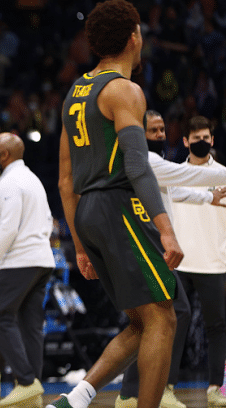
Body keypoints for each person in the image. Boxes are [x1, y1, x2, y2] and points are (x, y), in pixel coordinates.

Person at [52, 1, 184, 408]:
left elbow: (65, 181)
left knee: (142, 321)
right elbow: (138, 166)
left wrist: (79, 244)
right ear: (133, 37)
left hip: (88, 214)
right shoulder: (124, 90)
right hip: (117, 208)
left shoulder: (74, 93)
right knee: (164, 315)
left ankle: (75, 399)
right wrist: (166, 229)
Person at [116, 111, 226, 408]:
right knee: (170, 316)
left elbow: (174, 191)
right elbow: (187, 177)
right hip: (150, 253)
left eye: (163, 129)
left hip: (165, 255)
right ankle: (152, 390)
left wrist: (209, 198)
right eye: (154, 130)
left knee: (154, 322)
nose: (161, 135)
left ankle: (132, 393)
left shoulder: (153, 164)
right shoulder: (148, 161)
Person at [0, 133, 54, 408]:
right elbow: (48, 220)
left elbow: (8, 228)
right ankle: (32, 394)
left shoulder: (9, 182)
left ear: (4, 155)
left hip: (19, 261)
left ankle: (27, 382)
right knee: (31, 326)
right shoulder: (33, 179)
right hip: (42, 260)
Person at [169, 116, 226, 407]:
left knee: (217, 327)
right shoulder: (175, 174)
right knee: (173, 324)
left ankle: (215, 388)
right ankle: (166, 387)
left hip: (214, 262)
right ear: (186, 141)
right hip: (179, 262)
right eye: (196, 138)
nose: (201, 142)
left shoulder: (224, 175)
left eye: (206, 137)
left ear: (212, 140)